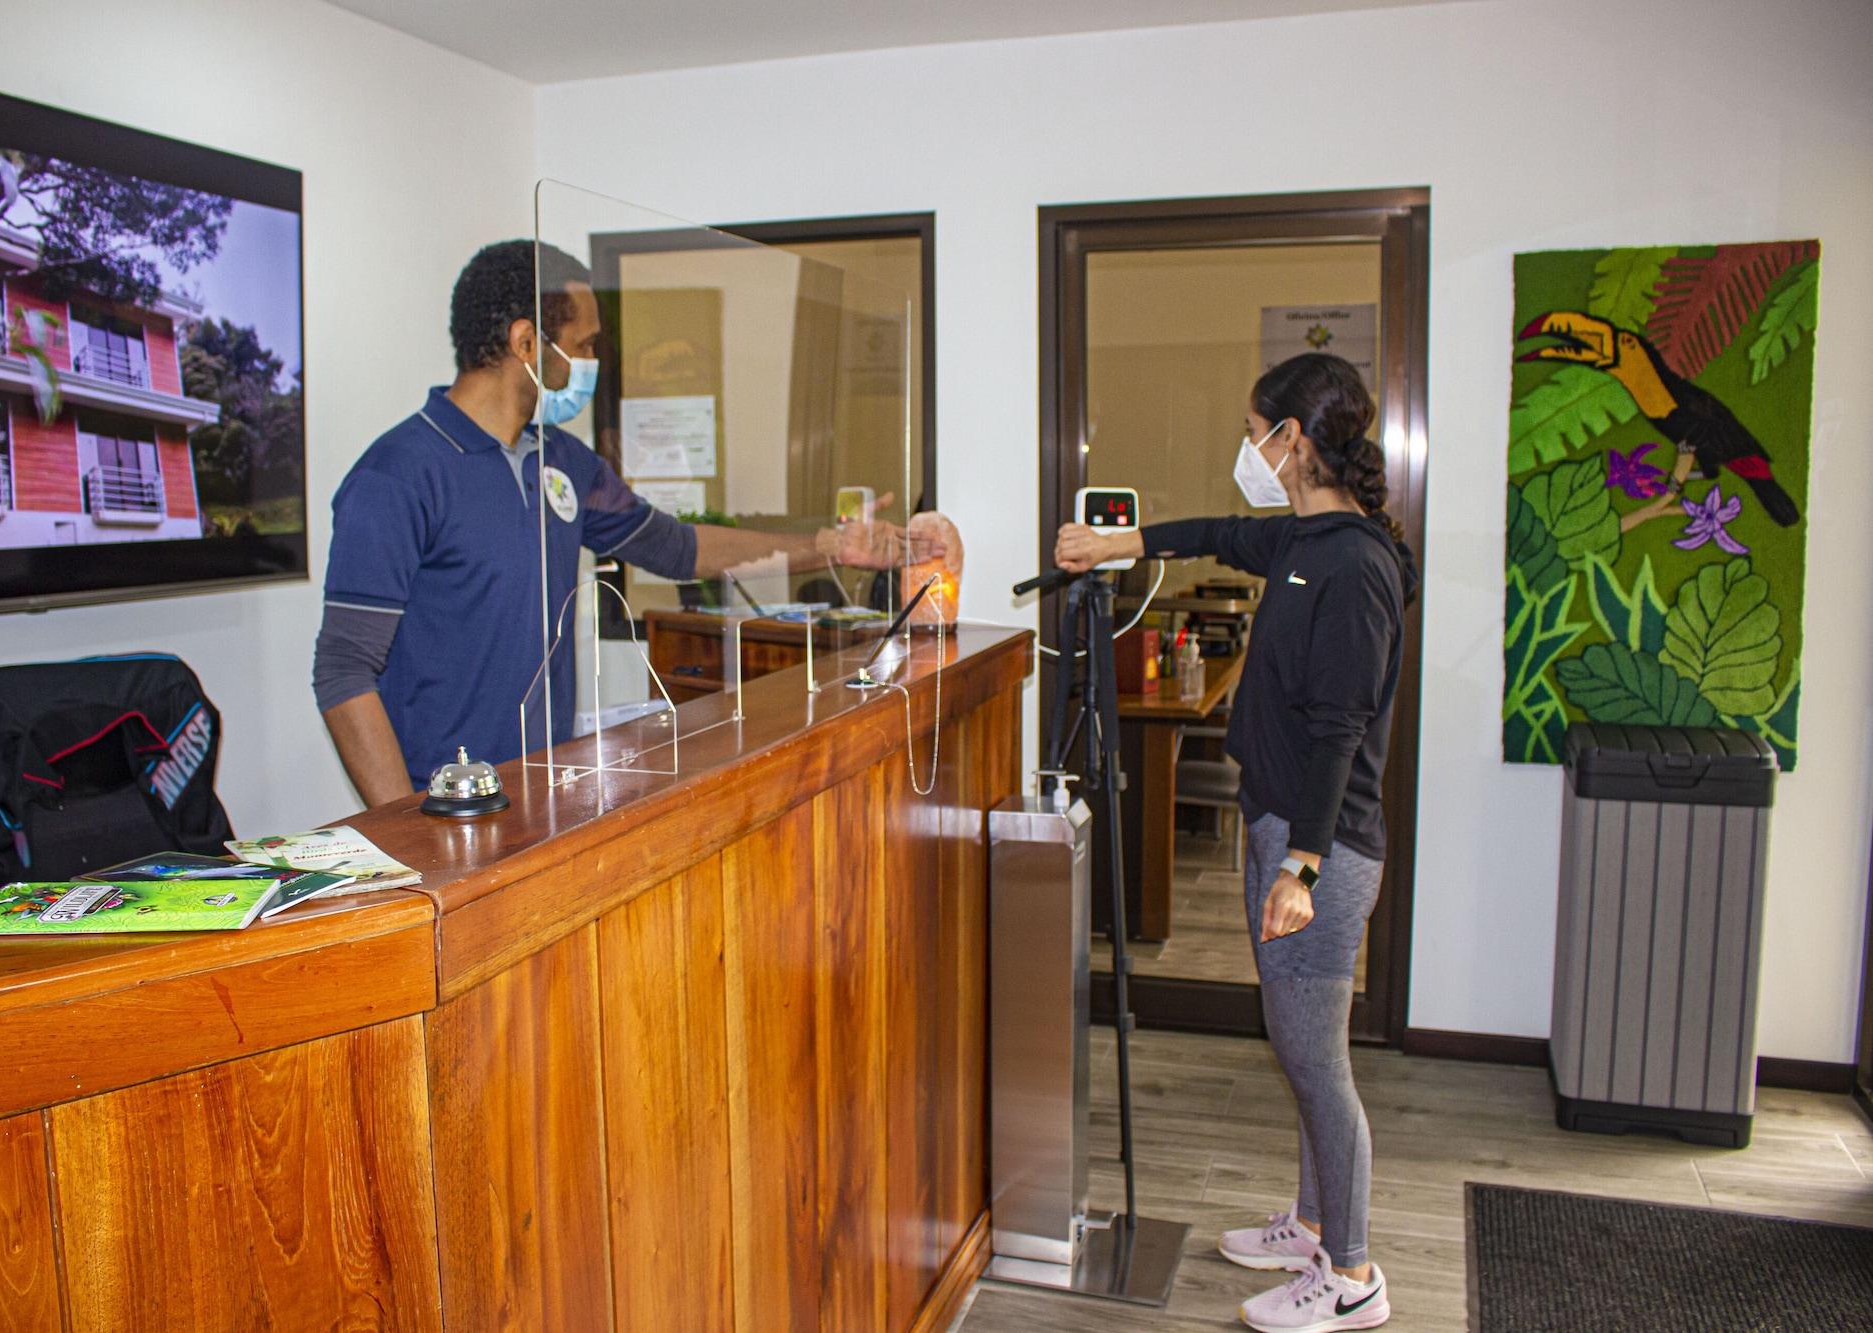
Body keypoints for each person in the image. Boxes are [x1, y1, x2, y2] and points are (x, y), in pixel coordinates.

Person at [314, 240, 944, 805]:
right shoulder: (399, 474)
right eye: (584, 345)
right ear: (526, 343)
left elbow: (677, 548)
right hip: (444, 804)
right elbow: (344, 671)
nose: (591, 361)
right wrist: (403, 834)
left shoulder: (563, 461)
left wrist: (830, 547)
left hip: (541, 790)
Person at [1055, 352, 1416, 1333]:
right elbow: (1215, 533)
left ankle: (1350, 1275)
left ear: (1291, 442)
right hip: (1278, 825)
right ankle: (1310, 1222)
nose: (1245, 449)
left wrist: (1300, 867)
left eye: (1255, 429)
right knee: (1304, 1051)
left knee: (1312, 1062)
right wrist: (1111, 543)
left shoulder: (1351, 567)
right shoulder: (1307, 539)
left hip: (1321, 849)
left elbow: (1341, 727)